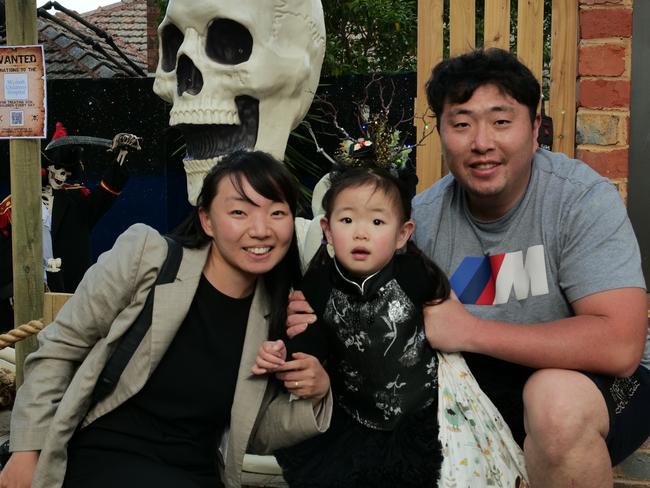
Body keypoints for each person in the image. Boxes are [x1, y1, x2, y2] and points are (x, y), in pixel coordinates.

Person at [289, 47, 650, 487]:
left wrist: (471, 331)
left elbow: (620, 347)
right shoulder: (420, 222)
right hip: (476, 386)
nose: (481, 142)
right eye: (461, 124)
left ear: (535, 129)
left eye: (501, 121)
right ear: (441, 132)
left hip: (601, 386)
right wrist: (310, 319)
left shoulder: (578, 200)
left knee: (555, 404)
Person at [0, 150, 332, 488]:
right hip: (106, 455)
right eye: (239, 212)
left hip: (195, 471)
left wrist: (315, 394)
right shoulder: (148, 257)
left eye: (277, 213)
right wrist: (26, 451)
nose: (260, 230)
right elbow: (60, 348)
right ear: (206, 220)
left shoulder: (276, 310)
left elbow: (254, 430)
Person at [254, 164, 450, 487]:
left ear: (403, 233)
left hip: (421, 417)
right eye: (347, 220)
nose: (361, 233)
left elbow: (446, 318)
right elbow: (310, 340)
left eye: (377, 221)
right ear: (328, 231)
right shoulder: (318, 283)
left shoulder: (416, 275)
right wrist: (287, 353)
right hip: (353, 416)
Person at [0, 122, 139, 331]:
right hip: (24, 292)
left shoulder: (77, 201)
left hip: (68, 288)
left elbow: (105, 194)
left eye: (67, 172)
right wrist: (10, 289)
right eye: (58, 170)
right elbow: (3, 252)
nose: (62, 176)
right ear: (47, 168)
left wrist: (122, 155)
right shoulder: (14, 205)